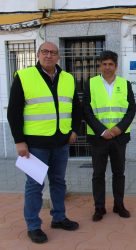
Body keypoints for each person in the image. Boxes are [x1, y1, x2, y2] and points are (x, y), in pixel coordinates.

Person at [7, 42, 81, 244]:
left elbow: (75, 106)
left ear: (58, 56)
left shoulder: (67, 78)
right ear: (38, 54)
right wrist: (19, 141)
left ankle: (59, 217)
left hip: (61, 142)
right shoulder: (24, 76)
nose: (49, 55)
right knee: (34, 185)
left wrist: (74, 129)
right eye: (45, 52)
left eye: (53, 52)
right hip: (34, 145)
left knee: (59, 182)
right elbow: (13, 112)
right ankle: (33, 226)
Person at [84, 50, 136, 222]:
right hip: (99, 138)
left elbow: (131, 109)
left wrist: (118, 129)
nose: (107, 67)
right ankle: (99, 208)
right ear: (100, 65)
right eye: (104, 64)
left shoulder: (125, 84)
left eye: (111, 64)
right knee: (98, 174)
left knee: (118, 173)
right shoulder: (91, 84)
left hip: (119, 138)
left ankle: (119, 205)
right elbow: (87, 111)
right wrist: (102, 130)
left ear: (116, 66)